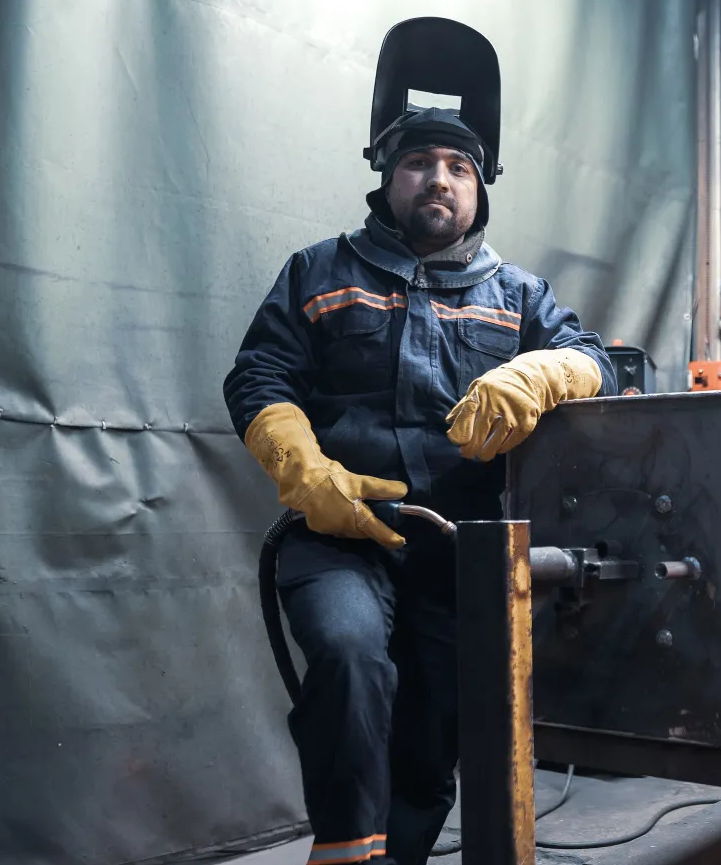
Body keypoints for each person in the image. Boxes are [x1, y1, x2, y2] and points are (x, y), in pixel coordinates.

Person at [224, 106, 614, 865]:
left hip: (461, 551)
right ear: (386, 177)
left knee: (434, 734)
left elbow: (601, 362)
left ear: (480, 188)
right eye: (419, 163)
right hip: (342, 531)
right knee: (346, 654)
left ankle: (391, 853)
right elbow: (261, 374)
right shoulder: (319, 271)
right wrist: (304, 468)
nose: (438, 179)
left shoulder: (521, 296)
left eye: (458, 167)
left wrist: (544, 369)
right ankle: (345, 851)